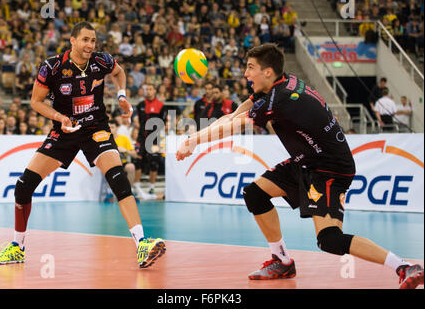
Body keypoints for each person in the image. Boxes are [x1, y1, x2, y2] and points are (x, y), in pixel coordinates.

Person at [176, 43, 424, 289]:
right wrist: (194, 139)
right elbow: (234, 116)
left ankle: (403, 266)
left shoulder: (282, 98)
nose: (245, 74)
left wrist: (192, 141)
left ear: (268, 72)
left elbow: (238, 124)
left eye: (250, 68)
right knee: (255, 193)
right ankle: (282, 260)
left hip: (329, 169)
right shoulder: (278, 85)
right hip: (306, 161)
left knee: (329, 239)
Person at [0, 22, 166, 269]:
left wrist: (122, 96)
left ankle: (142, 243)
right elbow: (36, 102)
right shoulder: (52, 67)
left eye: (93, 41)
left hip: (96, 128)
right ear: (72, 41)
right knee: (23, 186)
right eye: (85, 40)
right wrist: (60, 118)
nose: (90, 45)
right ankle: (17, 247)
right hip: (65, 130)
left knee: (118, 177)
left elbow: (119, 72)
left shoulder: (101, 61)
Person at [134, 83, 166, 195]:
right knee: (137, 161)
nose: (148, 91)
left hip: (154, 139)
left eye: (150, 89)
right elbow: (139, 121)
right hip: (141, 137)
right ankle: (136, 187)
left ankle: (152, 187)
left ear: (155, 91)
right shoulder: (140, 105)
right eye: (146, 89)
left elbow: (163, 123)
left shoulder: (161, 105)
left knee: (154, 163)